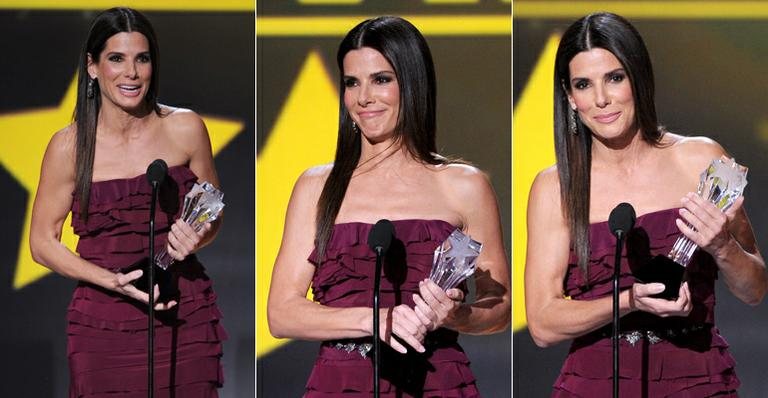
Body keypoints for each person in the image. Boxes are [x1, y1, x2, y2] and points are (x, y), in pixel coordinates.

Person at [524, 12, 768, 397]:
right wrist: (629, 300)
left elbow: (755, 289)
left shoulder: (700, 159)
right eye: (584, 85)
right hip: (595, 385)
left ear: (637, 78)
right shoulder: (555, 187)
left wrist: (722, 245)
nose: (601, 99)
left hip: (697, 380)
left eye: (614, 78)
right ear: (570, 98)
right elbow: (542, 323)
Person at [267, 16, 510, 397]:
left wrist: (457, 315)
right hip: (342, 385)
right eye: (351, 82)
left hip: (436, 381)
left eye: (381, 79)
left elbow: (499, 308)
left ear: (412, 83)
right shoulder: (317, 187)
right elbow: (281, 313)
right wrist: (377, 319)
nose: (363, 97)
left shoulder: (464, 185)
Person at [29, 7, 226, 397]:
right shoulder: (69, 147)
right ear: (92, 66)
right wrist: (112, 282)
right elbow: (42, 242)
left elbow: (211, 209)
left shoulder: (185, 127)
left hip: (181, 310)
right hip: (102, 322)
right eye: (116, 59)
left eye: (142, 58)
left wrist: (197, 237)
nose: (131, 73)